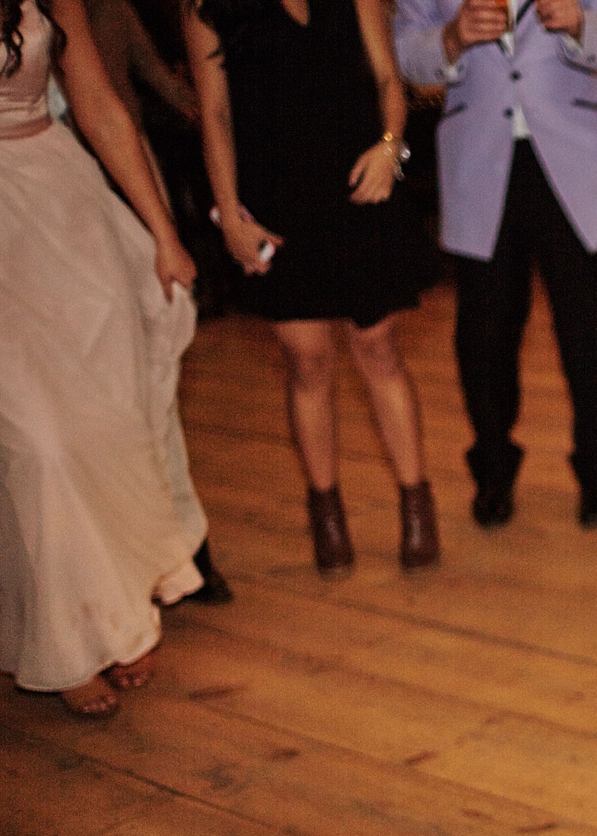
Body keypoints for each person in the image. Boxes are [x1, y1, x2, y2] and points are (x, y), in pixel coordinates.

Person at [0, 0, 208, 715]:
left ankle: (105, 619)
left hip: (59, 201)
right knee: (37, 442)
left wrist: (161, 232)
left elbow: (99, 104)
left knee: (102, 419)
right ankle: (64, 636)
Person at [185, 0, 440, 577]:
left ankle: (416, 502)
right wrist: (229, 214)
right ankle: (326, 510)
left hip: (360, 190)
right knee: (308, 362)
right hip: (278, 203)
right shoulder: (208, 9)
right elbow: (215, 116)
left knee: (379, 350)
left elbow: (387, 82)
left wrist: (390, 148)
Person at [395, 0, 597, 530]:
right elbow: (406, 53)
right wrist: (452, 38)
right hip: (478, 159)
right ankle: (492, 471)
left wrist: (581, 22)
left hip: (578, 157)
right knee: (484, 335)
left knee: (589, 331)